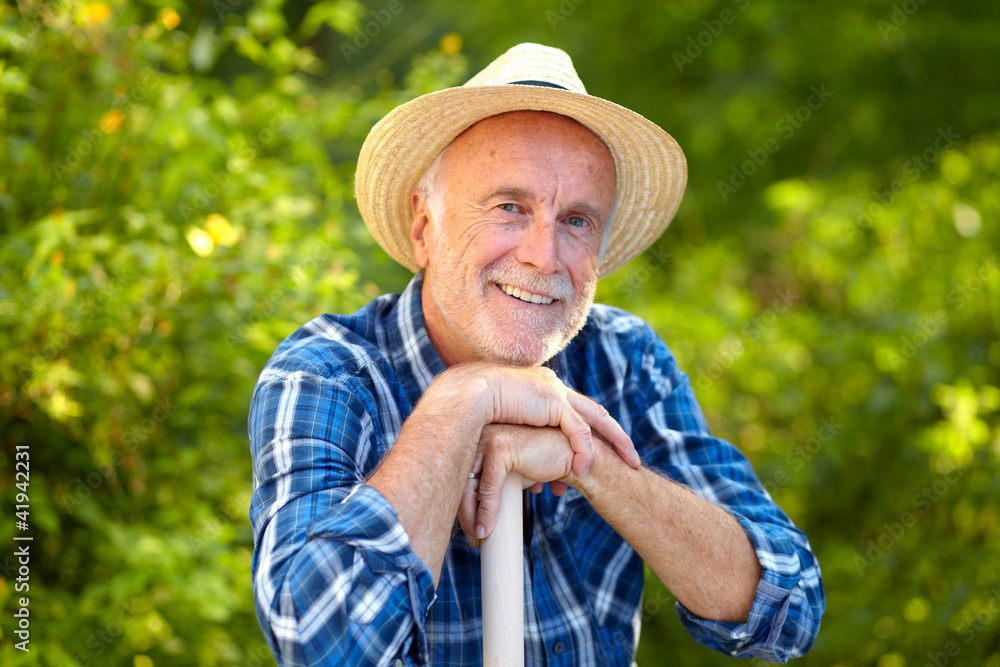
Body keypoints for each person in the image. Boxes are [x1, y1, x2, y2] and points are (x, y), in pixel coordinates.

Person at [248, 43, 824, 666]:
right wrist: (465, 398)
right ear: (423, 226)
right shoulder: (330, 373)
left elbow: (788, 610)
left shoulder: (624, 359)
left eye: (577, 221)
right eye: (509, 208)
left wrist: (592, 461)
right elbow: (316, 644)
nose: (543, 256)